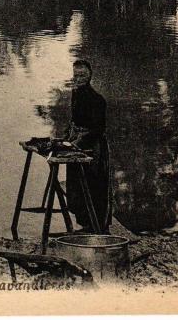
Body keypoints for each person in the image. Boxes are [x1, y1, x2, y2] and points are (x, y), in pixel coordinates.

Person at [64, 59, 111, 233]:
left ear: (90, 75)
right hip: (77, 143)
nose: (79, 78)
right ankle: (84, 223)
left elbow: (98, 129)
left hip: (93, 147)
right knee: (75, 184)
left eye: (82, 75)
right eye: (76, 75)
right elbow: (74, 120)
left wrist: (78, 142)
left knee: (93, 185)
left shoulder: (97, 100)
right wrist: (66, 136)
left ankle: (96, 226)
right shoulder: (76, 94)